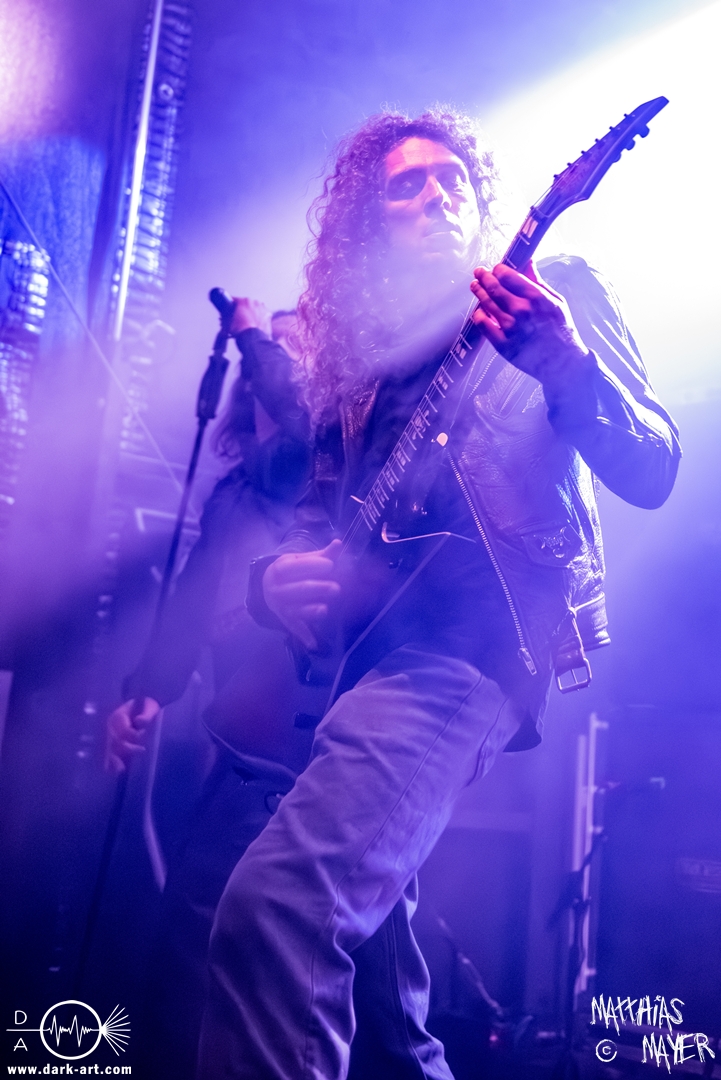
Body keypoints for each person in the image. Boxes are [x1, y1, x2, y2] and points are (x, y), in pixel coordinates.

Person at [196, 107, 681, 1080]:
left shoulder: (548, 288)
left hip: (473, 648)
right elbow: (317, 521)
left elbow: (653, 468)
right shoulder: (362, 360)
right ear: (366, 223)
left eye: (452, 179)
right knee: (386, 1025)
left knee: (274, 913)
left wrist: (564, 362)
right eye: (406, 184)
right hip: (355, 676)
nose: (435, 194)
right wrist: (270, 585)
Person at [105, 301, 315, 1079]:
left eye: (292, 351)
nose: (274, 366)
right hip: (236, 733)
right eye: (271, 355)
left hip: (290, 737)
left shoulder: (310, 472)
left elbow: (300, 425)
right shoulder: (235, 490)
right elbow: (192, 600)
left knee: (205, 927)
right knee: (199, 929)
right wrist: (148, 690)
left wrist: (254, 334)